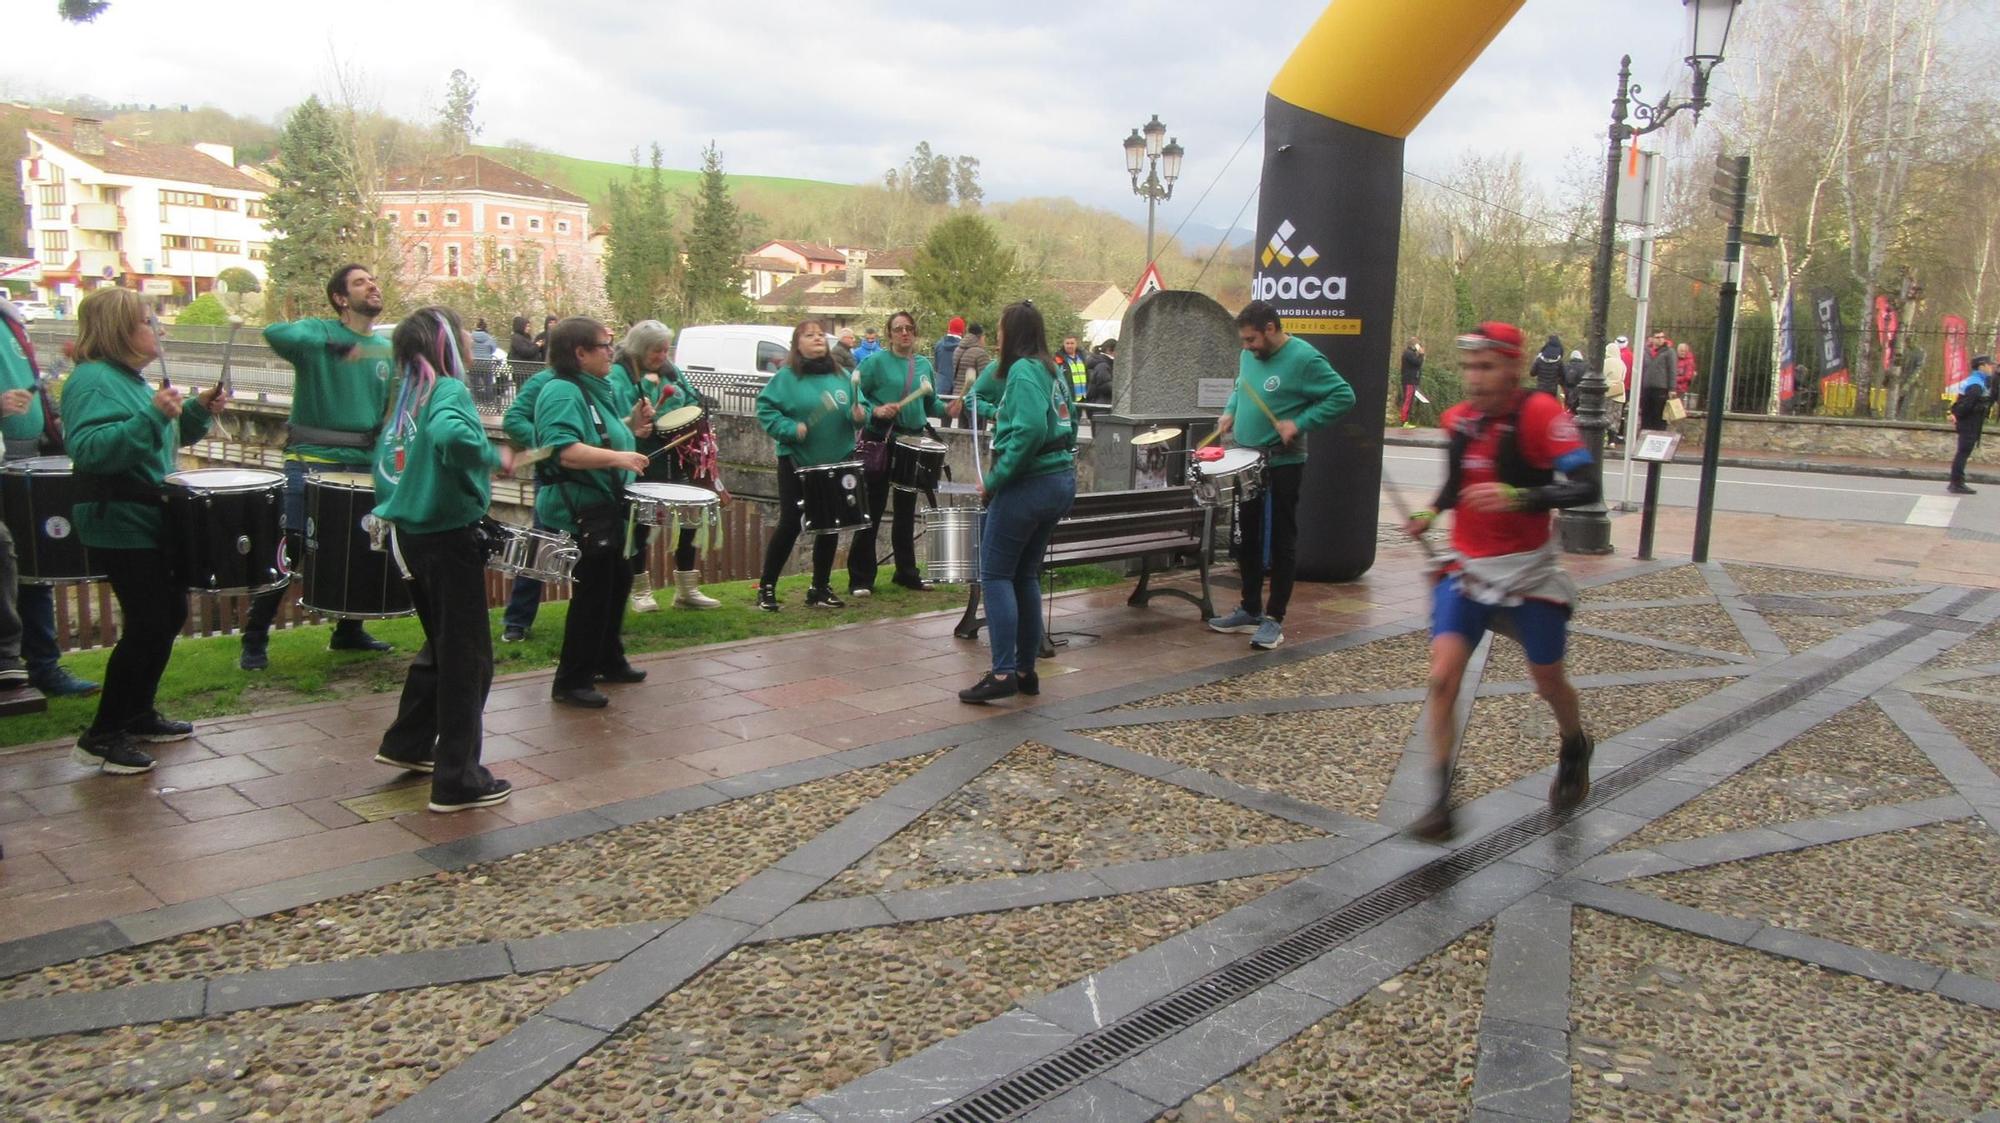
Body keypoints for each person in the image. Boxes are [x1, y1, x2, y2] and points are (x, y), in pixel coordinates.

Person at [1402, 320, 1601, 842]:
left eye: (1486, 367)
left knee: (1547, 680)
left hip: (1529, 571)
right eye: (1469, 366)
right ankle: (1441, 799)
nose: (1475, 378)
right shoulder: (1459, 421)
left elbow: (1585, 485)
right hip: (1468, 568)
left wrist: (1517, 496)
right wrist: (1428, 514)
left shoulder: (1541, 415)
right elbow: (1453, 486)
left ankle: (1575, 742)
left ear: (1513, 368)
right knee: (1442, 679)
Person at [65, 286, 228, 774]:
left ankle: (136, 712)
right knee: (152, 619)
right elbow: (93, 451)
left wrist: (196, 411)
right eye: (145, 320)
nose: (155, 328)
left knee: (165, 614)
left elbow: (161, 439)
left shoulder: (130, 380)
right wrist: (152, 413)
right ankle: (103, 733)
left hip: (148, 518)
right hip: (120, 519)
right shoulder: (93, 381)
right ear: (119, 329)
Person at [369, 308, 514, 812]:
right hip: (447, 539)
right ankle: (458, 779)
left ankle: (407, 743)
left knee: (442, 648)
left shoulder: (407, 395)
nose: (474, 345)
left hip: (409, 536)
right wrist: (492, 456)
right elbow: (454, 438)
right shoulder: (449, 390)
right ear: (448, 345)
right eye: (465, 337)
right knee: (468, 662)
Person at [240, 264, 396, 671]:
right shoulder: (320, 333)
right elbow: (276, 334)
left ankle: (349, 631)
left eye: (373, 279)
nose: (373, 284)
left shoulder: (384, 349)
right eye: (361, 282)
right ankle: (254, 638)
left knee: (363, 546)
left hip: (364, 463)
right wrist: (327, 339)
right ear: (341, 299)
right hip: (311, 461)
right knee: (291, 545)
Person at [1205, 300, 1356, 652]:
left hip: (1282, 463)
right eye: (1243, 340)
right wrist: (1229, 411)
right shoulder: (1249, 356)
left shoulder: (1305, 359)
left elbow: (1343, 396)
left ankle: (1274, 619)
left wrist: (1300, 423)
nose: (1247, 347)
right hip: (1246, 459)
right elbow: (1242, 385)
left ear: (1271, 329)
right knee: (1246, 539)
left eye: (1251, 339)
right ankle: (1250, 608)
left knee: (1280, 539)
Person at [959, 301, 1078, 703]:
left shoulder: (1025, 371)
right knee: (1025, 575)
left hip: (1030, 483)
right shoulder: (1052, 369)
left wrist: (995, 480)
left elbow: (1028, 431)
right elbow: (1071, 421)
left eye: (1000, 330)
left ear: (1013, 333)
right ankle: (1027, 670)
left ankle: (1003, 671)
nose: (996, 337)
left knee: (994, 574)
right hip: (1059, 479)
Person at [534, 317, 653, 708]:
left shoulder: (590, 389)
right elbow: (564, 450)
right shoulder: (561, 391)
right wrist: (620, 455)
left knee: (617, 580)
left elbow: (600, 432)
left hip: (603, 504)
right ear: (579, 353)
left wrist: (630, 427)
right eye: (604, 345)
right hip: (581, 507)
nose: (611, 352)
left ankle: (607, 660)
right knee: (594, 591)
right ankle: (571, 680)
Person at [0, 297, 98, 695]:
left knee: (32, 566)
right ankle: (18, 663)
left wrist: (50, 413)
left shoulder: (8, 319)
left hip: (25, 454)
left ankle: (40, 666)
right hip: (8, 455)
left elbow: (30, 382)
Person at [754, 320, 865, 611]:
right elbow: (765, 409)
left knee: (829, 524)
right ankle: (766, 587)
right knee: (791, 522)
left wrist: (857, 414)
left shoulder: (842, 375)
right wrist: (790, 429)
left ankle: (819, 588)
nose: (817, 338)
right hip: (797, 462)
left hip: (835, 460)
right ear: (797, 344)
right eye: (809, 335)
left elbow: (858, 409)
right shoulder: (786, 378)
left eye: (820, 335)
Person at [613, 320, 724, 610]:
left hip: (679, 455)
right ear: (638, 349)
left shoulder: (670, 372)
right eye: (656, 351)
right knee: (639, 522)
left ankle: (686, 590)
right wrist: (635, 424)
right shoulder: (618, 376)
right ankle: (640, 591)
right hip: (641, 457)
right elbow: (615, 417)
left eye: (665, 349)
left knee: (689, 518)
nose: (663, 356)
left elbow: (691, 400)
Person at [850, 310, 941, 596]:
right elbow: (855, 393)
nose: (905, 333)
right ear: (889, 334)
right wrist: (874, 410)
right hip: (881, 439)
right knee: (872, 509)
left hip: (912, 442)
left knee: (905, 510)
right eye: (898, 329)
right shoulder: (874, 363)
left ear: (915, 333)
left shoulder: (924, 365)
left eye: (909, 328)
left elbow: (930, 405)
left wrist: (948, 409)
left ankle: (906, 572)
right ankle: (861, 578)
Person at [499, 354, 558, 643]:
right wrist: (547, 438)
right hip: (551, 478)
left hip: (590, 477)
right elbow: (513, 420)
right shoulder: (542, 381)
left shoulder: (599, 383)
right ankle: (517, 621)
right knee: (540, 546)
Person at [1948, 356, 1993, 495]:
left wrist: (1954, 413)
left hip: (1968, 421)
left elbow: (1961, 401)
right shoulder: (1976, 384)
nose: (1991, 367)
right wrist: (1957, 415)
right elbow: (1967, 404)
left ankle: (1955, 482)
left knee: (1963, 452)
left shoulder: (1975, 380)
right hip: (1969, 422)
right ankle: (1957, 483)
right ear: (1981, 366)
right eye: (1989, 365)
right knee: (1963, 452)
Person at [949, 323, 990, 429]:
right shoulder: (980, 353)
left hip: (958, 397)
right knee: (976, 433)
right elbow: (985, 380)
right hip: (974, 400)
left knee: (962, 433)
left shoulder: (957, 350)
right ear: (980, 337)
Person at [1639, 329, 1674, 430]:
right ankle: (1644, 434)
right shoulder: (1645, 351)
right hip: (1646, 387)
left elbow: (1672, 370)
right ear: (1652, 339)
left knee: (1658, 415)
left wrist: (1672, 388)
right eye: (1657, 337)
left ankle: (1658, 434)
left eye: (1662, 337)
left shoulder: (1668, 352)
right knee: (1646, 414)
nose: (1660, 340)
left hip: (1661, 388)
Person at [1602, 341, 1628, 448]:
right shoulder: (1622, 363)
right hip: (1619, 393)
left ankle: (1604, 439)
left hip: (1608, 392)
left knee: (1605, 415)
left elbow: (1602, 375)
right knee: (1615, 417)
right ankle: (1612, 441)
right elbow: (1623, 377)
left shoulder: (1606, 362)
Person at [1397, 336, 1425, 427]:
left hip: (1410, 380)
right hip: (1409, 380)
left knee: (1408, 400)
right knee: (1407, 400)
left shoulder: (1409, 353)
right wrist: (1421, 354)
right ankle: (1404, 421)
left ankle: (1405, 420)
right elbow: (1418, 363)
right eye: (1417, 344)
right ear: (1414, 345)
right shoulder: (1408, 353)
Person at [934, 316, 964, 399]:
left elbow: (936, 367)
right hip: (958, 391)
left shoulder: (938, 345)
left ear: (949, 328)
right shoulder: (964, 348)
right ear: (962, 331)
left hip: (940, 388)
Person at [1056, 335, 1089, 401]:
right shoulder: (1058, 359)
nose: (1069, 346)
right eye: (1067, 343)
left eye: (1072, 343)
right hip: (1068, 398)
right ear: (1063, 344)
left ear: (1076, 344)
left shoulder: (1083, 357)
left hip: (1084, 397)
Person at [1085, 339, 1115, 405]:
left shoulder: (1101, 362)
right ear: (1109, 350)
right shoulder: (1103, 365)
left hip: (1097, 403)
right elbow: (1105, 386)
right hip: (1101, 404)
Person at [1562, 349, 1587, 413]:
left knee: (1569, 413)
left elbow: (1562, 379)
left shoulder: (1566, 367)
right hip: (1581, 395)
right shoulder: (1585, 367)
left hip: (1568, 394)